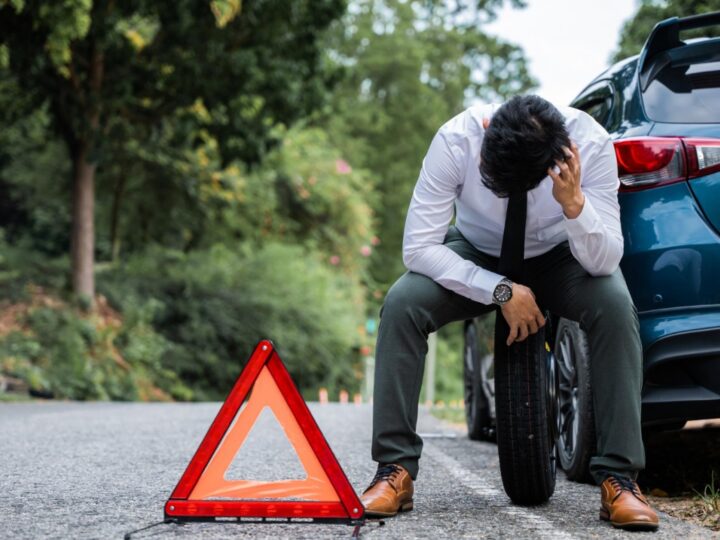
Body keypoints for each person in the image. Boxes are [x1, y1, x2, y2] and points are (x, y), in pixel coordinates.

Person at [359, 95, 659, 531]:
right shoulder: (456, 140)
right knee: (403, 304)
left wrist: (574, 204)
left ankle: (620, 478)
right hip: (478, 253)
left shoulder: (590, 144)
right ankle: (395, 471)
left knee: (614, 305)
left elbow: (603, 262)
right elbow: (419, 249)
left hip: (563, 254)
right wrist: (499, 289)